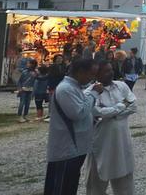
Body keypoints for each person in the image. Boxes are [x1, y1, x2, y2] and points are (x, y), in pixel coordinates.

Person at [83, 58, 138, 195]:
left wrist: (112, 113)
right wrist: (121, 106)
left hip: (122, 142)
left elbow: (133, 106)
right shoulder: (89, 93)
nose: (110, 73)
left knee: (125, 184)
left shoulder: (121, 86)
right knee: (96, 186)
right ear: (96, 74)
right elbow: (96, 112)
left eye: (111, 69)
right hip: (101, 144)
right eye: (106, 71)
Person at [44, 58, 98, 195]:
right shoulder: (65, 89)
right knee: (61, 186)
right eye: (90, 74)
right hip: (66, 149)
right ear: (80, 72)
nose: (92, 78)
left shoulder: (75, 87)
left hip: (76, 148)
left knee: (70, 185)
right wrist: (93, 94)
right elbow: (78, 113)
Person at [18, 58, 38, 123]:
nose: (28, 64)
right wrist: (20, 88)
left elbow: (36, 80)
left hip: (30, 89)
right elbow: (20, 81)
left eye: (29, 63)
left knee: (27, 103)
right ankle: (20, 116)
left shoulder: (35, 73)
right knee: (22, 103)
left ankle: (25, 115)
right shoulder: (24, 71)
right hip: (24, 89)